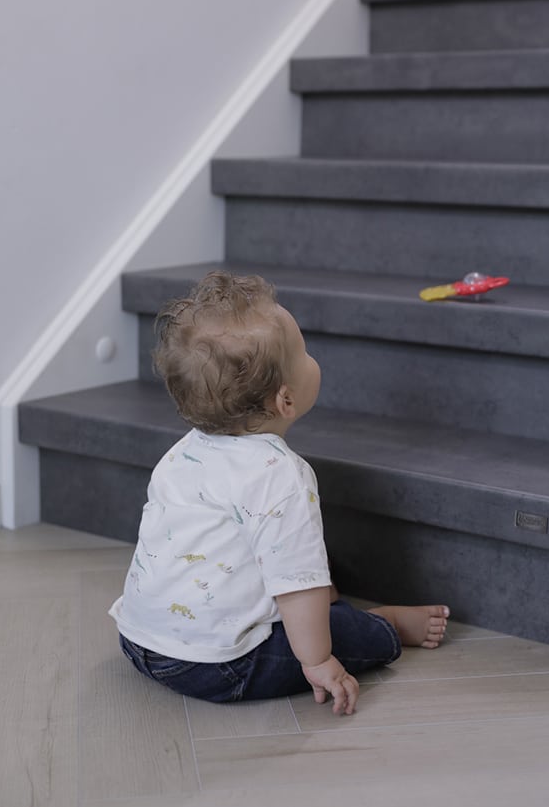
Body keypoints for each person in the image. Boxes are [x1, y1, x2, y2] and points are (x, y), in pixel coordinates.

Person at [109, 271, 449, 715]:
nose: (311, 357)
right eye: (303, 352)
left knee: (305, 585)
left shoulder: (183, 452)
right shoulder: (282, 475)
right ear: (285, 401)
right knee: (342, 631)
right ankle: (387, 624)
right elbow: (296, 586)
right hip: (217, 667)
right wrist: (320, 661)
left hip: (137, 640)